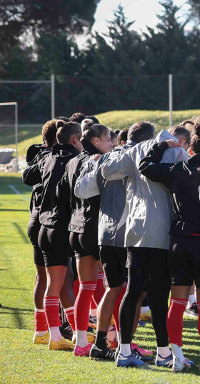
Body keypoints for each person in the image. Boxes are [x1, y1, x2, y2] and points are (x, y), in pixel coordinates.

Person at [138, 123, 200, 373]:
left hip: (180, 241)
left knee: (176, 303)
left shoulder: (178, 168)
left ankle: (176, 357)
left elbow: (145, 166)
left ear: (190, 149)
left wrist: (162, 145)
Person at [100, 122, 189, 368]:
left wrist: (120, 152)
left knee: (133, 290)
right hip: (162, 229)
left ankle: (125, 351)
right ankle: (162, 352)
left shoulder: (133, 151)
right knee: (160, 294)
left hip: (136, 229)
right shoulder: (175, 149)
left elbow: (107, 171)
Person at [22, 121, 84, 351]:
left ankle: (43, 330)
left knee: (45, 279)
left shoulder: (46, 157)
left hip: (39, 221)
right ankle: (71, 332)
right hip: (56, 223)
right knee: (65, 280)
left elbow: (27, 177)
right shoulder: (68, 159)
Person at [75, 127, 133, 361]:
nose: (111, 144)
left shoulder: (95, 160)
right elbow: (81, 190)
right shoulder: (115, 160)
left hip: (99, 232)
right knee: (126, 291)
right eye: (108, 140)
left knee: (106, 288)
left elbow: (80, 189)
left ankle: (97, 342)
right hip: (120, 234)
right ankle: (123, 346)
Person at [57, 123, 113, 356]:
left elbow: (62, 194)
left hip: (76, 228)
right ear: (97, 141)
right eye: (109, 139)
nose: (112, 143)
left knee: (86, 288)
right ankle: (117, 340)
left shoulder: (72, 161)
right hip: (96, 228)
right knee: (114, 288)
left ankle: (81, 343)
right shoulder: (99, 160)